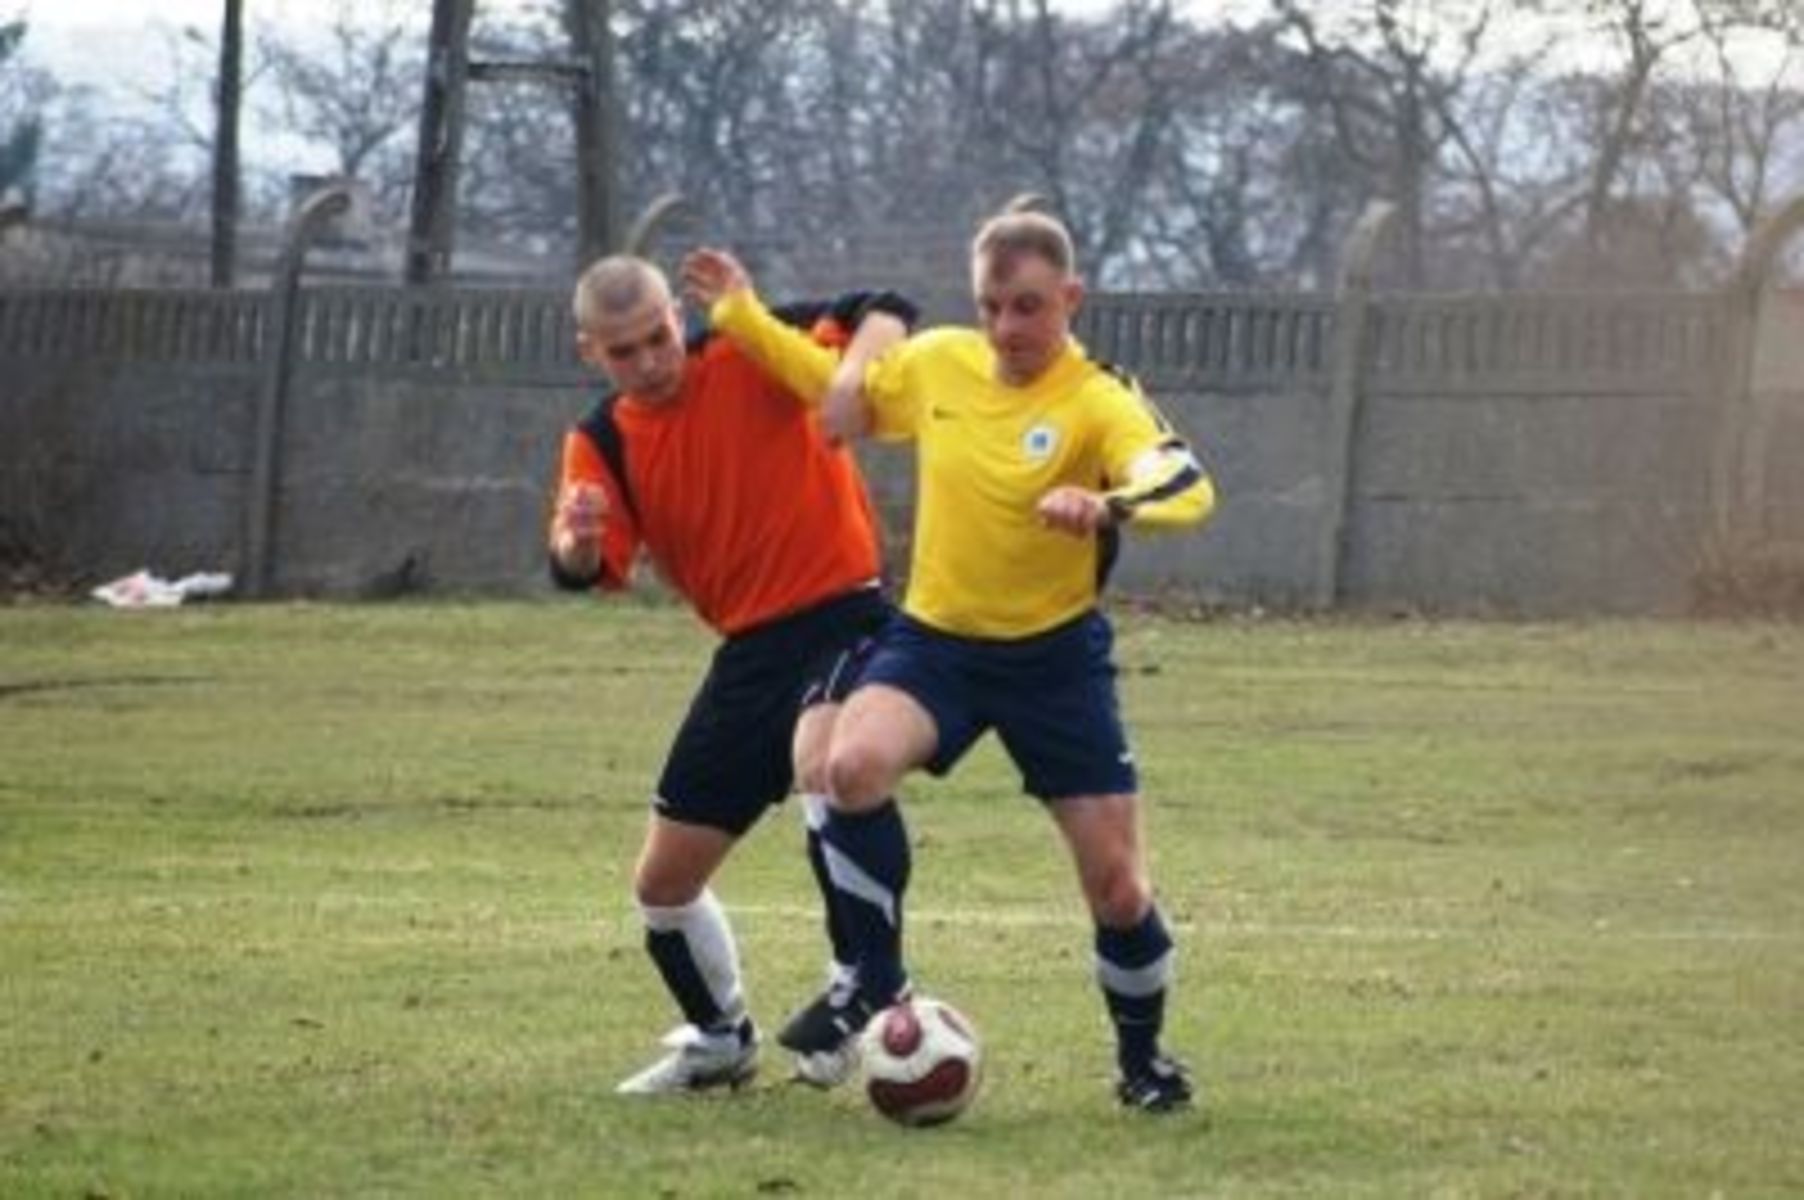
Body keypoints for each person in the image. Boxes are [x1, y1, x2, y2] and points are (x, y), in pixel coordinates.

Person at [681, 210, 1216, 1113]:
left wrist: (1112, 503)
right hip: (938, 645)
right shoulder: (939, 363)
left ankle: (1144, 1063)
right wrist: (740, 315)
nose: (1008, 328)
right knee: (847, 767)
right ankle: (875, 977)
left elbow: (1185, 481)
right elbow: (832, 385)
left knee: (1119, 887)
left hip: (1055, 663)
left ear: (1071, 300)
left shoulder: (1097, 397)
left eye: (1029, 307)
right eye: (992, 306)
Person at [548, 254, 914, 1095]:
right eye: (624, 352)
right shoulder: (599, 440)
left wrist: (847, 385)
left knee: (829, 770)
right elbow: (581, 565)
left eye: (658, 338)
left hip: (845, 616)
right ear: (590, 353)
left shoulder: (751, 344)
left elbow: (886, 302)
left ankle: (866, 988)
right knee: (663, 886)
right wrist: (574, 542)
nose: (648, 362)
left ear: (679, 320)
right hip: (750, 656)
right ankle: (720, 1042)